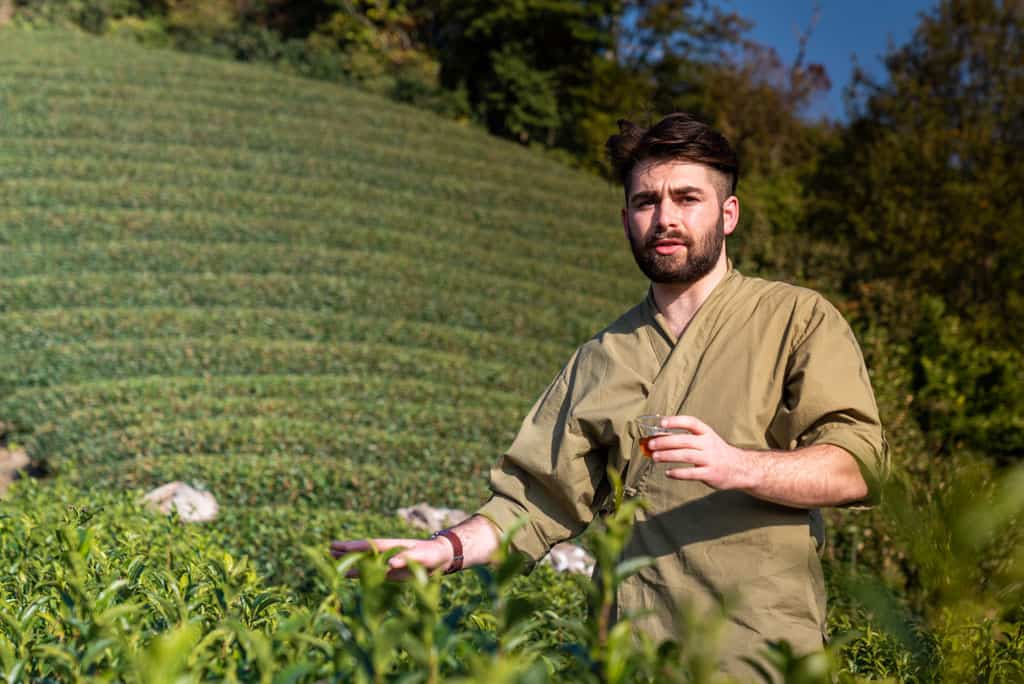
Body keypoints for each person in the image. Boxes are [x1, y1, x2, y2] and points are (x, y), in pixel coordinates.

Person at [331, 113, 888, 677]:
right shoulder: (602, 357)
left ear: (728, 214)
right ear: (626, 220)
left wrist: (738, 465)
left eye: (687, 198)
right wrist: (445, 549)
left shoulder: (794, 319)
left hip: (757, 651)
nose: (665, 218)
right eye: (647, 202)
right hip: (629, 652)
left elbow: (858, 466)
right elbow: (535, 501)